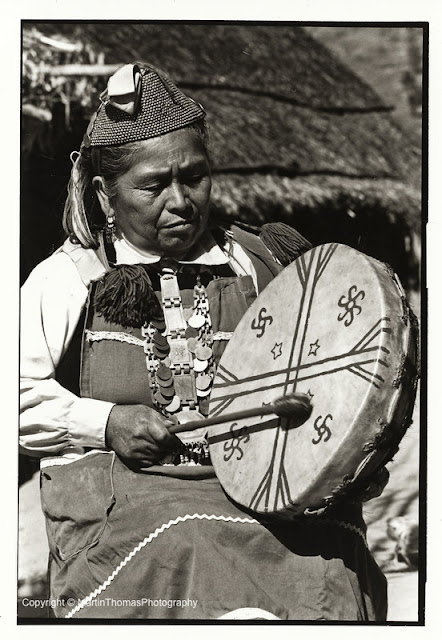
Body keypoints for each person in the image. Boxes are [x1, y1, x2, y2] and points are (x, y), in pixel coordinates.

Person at [20, 62, 388, 620]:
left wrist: (346, 449)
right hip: (127, 503)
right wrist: (106, 423)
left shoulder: (255, 261)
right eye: (153, 185)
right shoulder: (69, 277)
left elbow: (321, 375)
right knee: (190, 542)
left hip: (255, 488)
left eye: (193, 177)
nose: (180, 200)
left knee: (329, 554)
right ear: (103, 193)